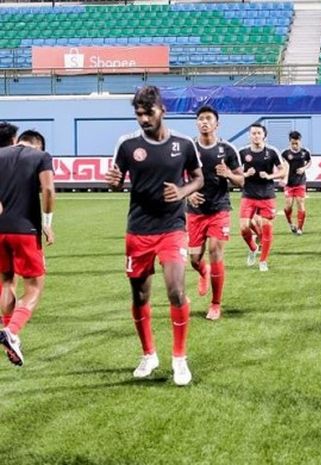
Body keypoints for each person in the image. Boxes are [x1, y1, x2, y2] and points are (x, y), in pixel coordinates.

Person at [105, 86, 204, 386]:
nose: (143, 119)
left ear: (163, 110)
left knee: (175, 290)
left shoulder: (185, 144)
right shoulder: (126, 145)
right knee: (140, 295)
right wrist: (112, 183)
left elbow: (199, 179)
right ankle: (149, 354)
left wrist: (182, 191)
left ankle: (179, 358)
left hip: (172, 227)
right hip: (138, 230)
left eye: (149, 113)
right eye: (138, 114)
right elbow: (116, 182)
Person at [0, 123, 55, 366]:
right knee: (34, 287)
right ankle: (12, 332)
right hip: (25, 229)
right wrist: (47, 222)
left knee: (6, 281)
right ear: (37, 144)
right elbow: (49, 189)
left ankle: (10, 332)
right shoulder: (41, 156)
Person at [186, 105, 243, 321]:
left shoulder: (227, 149)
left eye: (208, 118)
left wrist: (228, 174)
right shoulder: (188, 148)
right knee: (194, 259)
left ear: (216, 124)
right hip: (195, 211)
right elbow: (177, 178)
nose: (204, 122)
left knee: (215, 250)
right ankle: (203, 272)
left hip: (219, 208)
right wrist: (187, 195)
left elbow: (241, 180)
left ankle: (216, 304)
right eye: (200, 118)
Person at [238, 124, 287, 272]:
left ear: (264, 135)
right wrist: (246, 174)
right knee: (243, 228)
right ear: (249, 136)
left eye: (259, 133)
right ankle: (253, 248)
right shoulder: (242, 152)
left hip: (267, 195)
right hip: (248, 194)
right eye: (253, 133)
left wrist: (270, 176)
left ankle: (263, 261)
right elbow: (234, 172)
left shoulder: (272, 152)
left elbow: (283, 171)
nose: (256, 136)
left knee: (267, 229)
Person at [281, 131, 312, 236]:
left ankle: (300, 228)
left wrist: (304, 168)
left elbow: (309, 162)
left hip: (300, 182)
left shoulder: (305, 152)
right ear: (289, 142)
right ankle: (290, 223)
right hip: (289, 184)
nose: (295, 145)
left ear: (300, 141)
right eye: (293, 143)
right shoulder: (285, 153)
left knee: (300, 204)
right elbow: (281, 166)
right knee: (288, 206)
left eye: (297, 143)